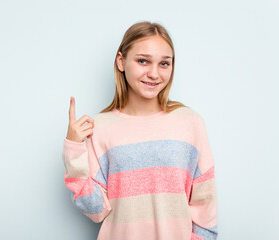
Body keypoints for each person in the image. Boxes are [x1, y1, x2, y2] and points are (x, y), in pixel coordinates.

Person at [62, 21, 218, 240]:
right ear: (121, 61)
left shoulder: (190, 123)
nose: (154, 74)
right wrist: (74, 150)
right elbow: (96, 209)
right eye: (143, 61)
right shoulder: (101, 128)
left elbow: (205, 206)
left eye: (164, 64)